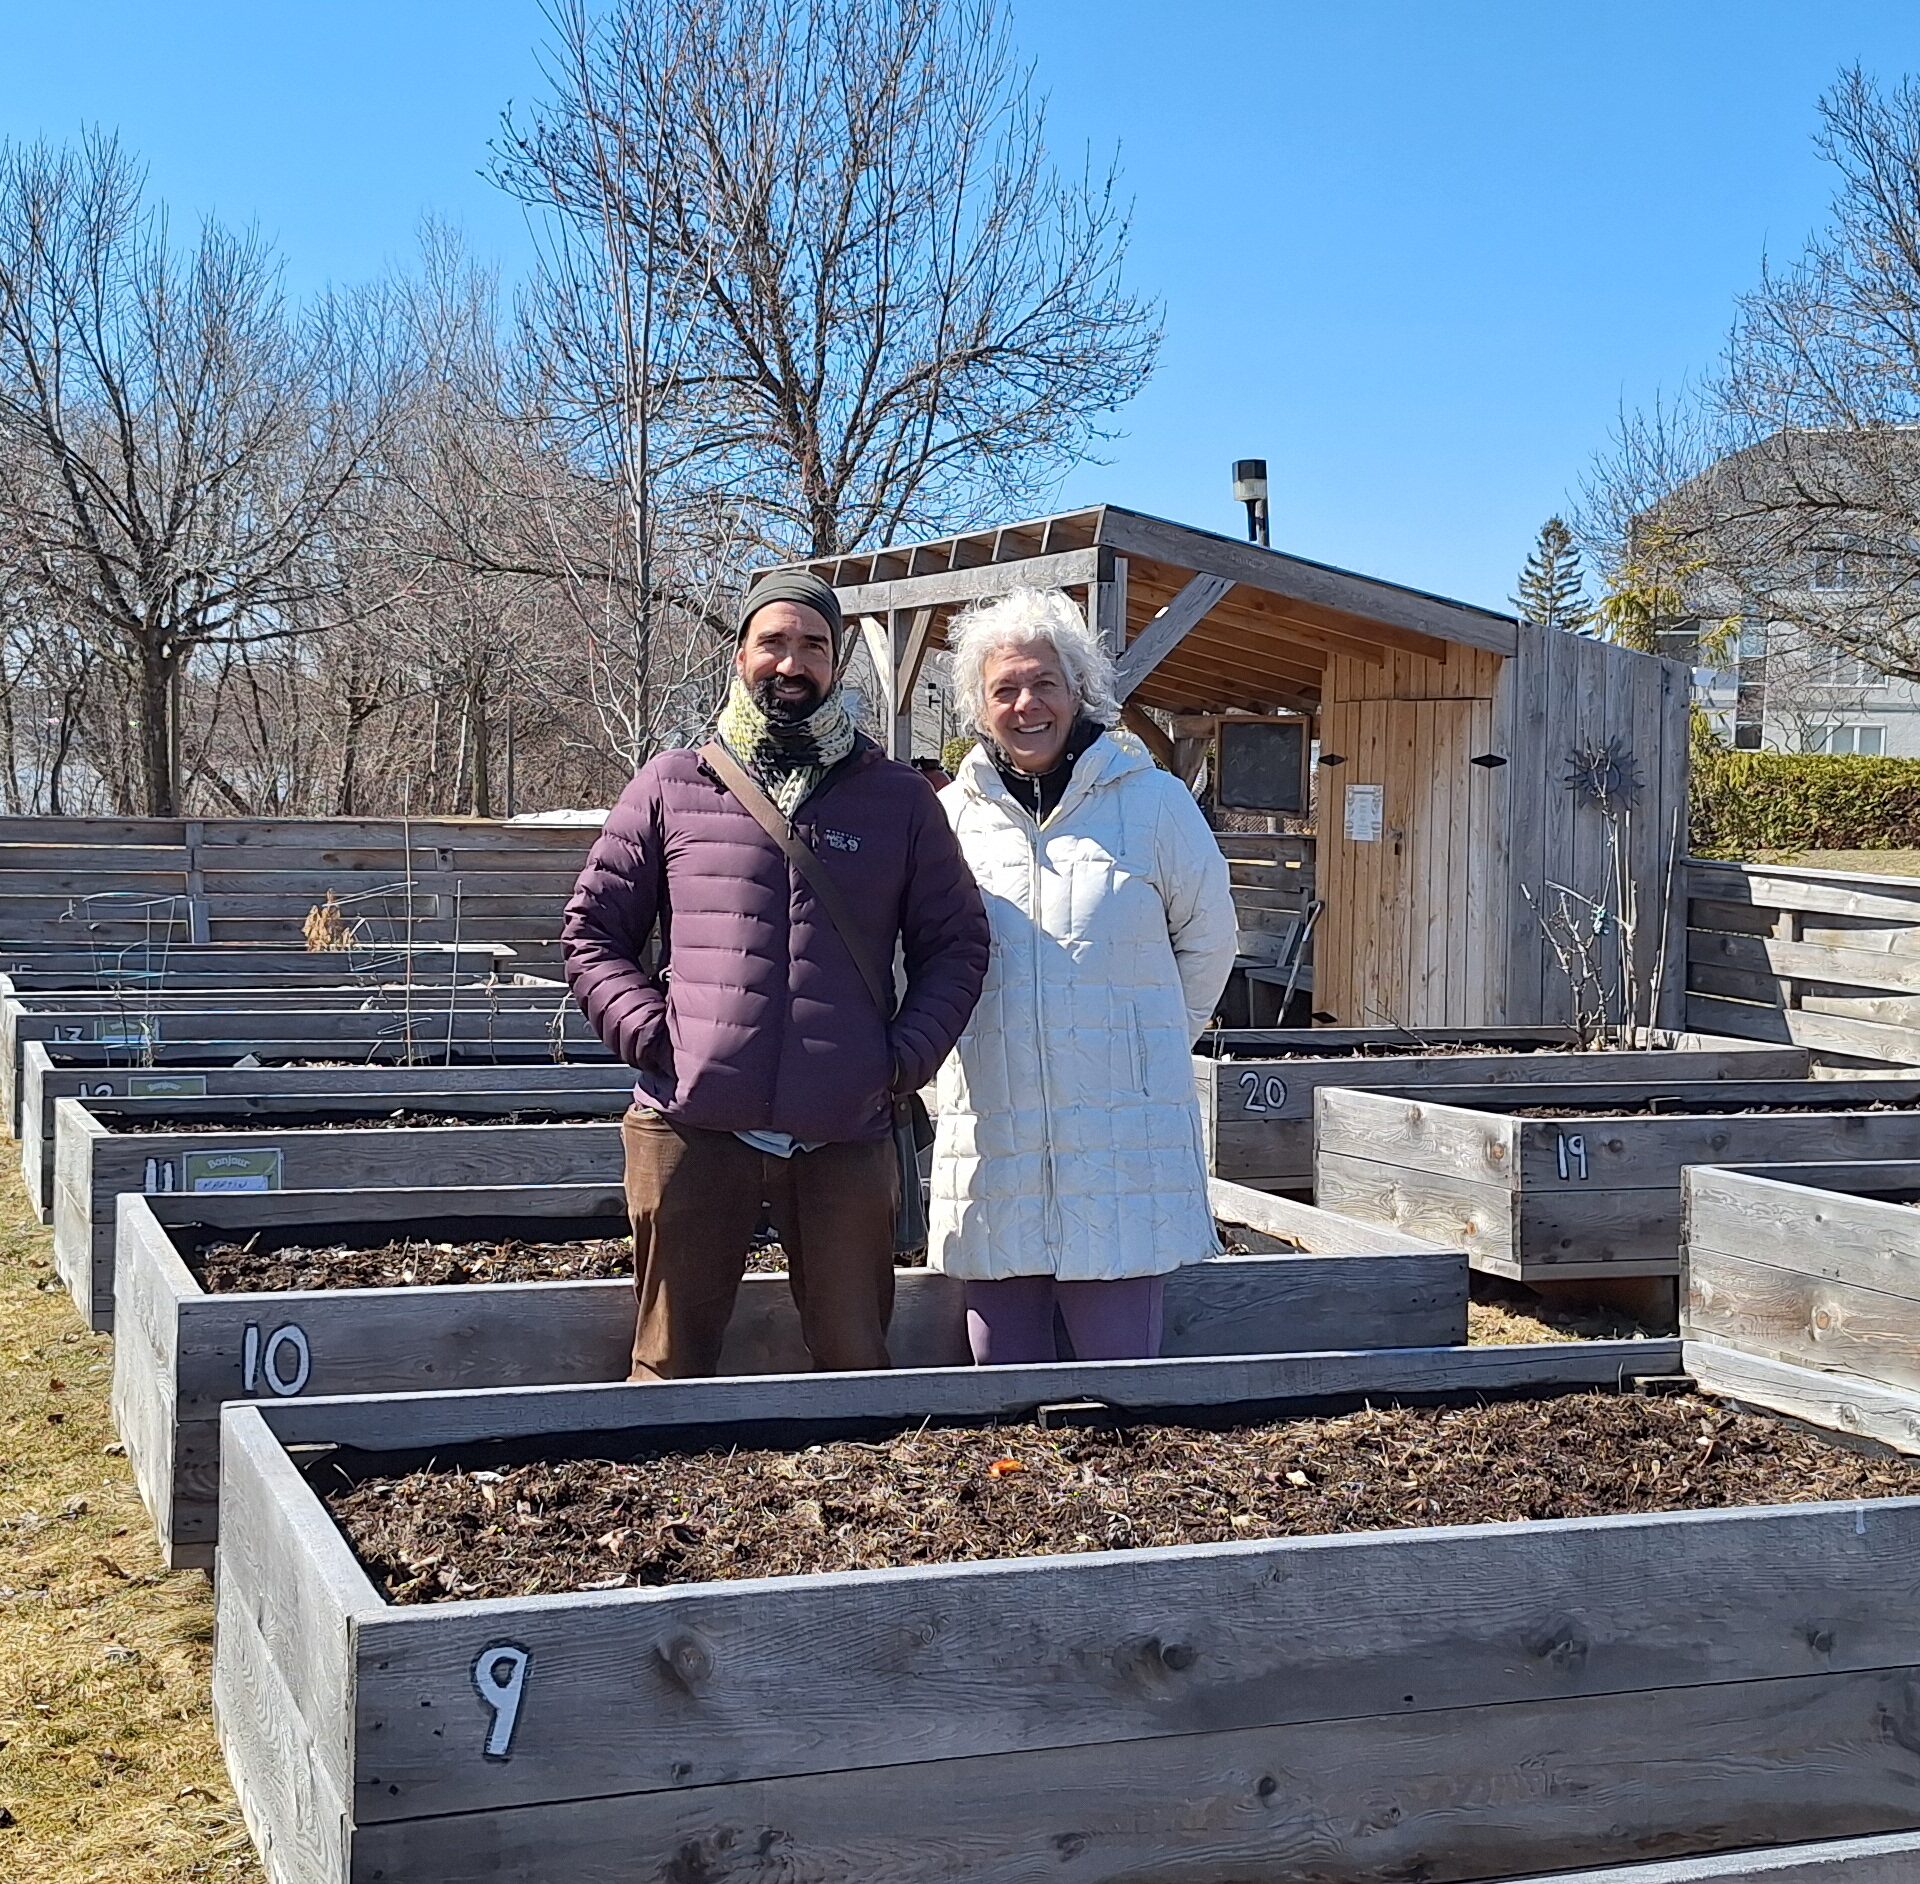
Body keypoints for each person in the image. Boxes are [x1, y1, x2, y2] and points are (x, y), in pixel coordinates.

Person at [562, 569, 990, 1380]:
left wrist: (902, 1061)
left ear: (837, 666)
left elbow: (958, 944)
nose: (791, 663)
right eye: (774, 643)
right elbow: (593, 931)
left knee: (855, 1361)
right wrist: (655, 1038)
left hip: (843, 1127)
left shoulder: (896, 797)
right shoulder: (672, 783)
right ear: (740, 655)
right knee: (668, 1365)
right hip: (691, 1121)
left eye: (813, 647)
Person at [929, 585, 1237, 1364]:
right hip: (993, 1130)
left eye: (1044, 684)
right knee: (1004, 1381)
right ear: (979, 703)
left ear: (1079, 691)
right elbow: (915, 963)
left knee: (1121, 1386)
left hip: (1120, 1136)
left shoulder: (1154, 803)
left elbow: (1210, 941)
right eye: (1005, 688)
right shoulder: (949, 819)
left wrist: (1148, 1046)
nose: (1027, 705)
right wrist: (942, 1081)